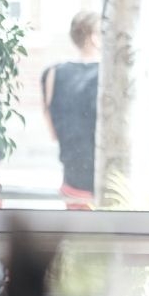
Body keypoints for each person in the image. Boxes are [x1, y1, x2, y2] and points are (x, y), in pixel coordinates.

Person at [42, 11, 101, 209]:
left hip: (71, 178)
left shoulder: (53, 73)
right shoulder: (107, 75)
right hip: (104, 181)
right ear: (94, 37)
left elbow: (53, 133)